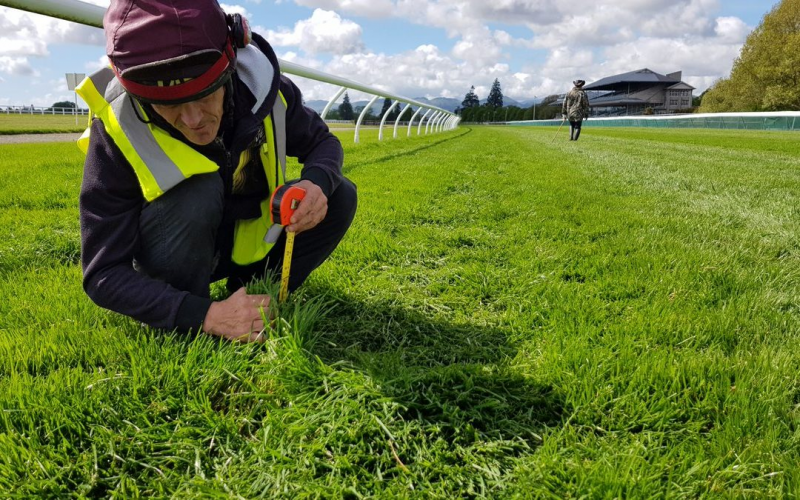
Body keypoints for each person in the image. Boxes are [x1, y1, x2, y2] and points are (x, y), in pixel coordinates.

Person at [76, 0, 357, 343]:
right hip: (174, 258)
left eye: (206, 93)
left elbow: (323, 143)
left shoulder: (265, 87)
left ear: (231, 65)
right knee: (198, 188)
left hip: (245, 246)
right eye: (168, 103)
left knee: (339, 193)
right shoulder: (116, 128)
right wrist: (204, 315)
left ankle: (254, 297)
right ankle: (195, 318)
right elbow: (103, 273)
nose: (194, 120)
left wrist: (318, 182)